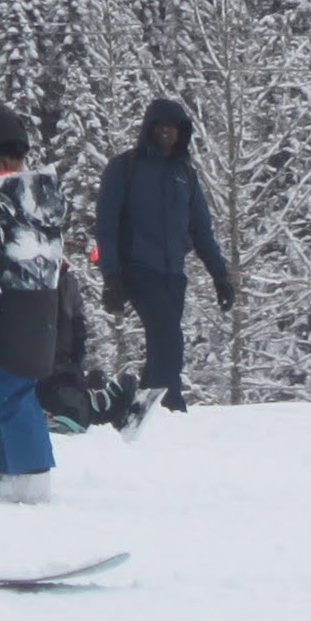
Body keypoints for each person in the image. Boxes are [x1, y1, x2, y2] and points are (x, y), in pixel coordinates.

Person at [93, 95, 237, 411]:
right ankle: (170, 407)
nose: (165, 132)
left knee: (164, 343)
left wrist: (220, 276)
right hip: (138, 269)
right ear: (148, 129)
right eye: (158, 126)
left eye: (172, 127)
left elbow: (201, 230)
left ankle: (142, 412)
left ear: (182, 132)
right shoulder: (125, 167)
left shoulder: (187, 174)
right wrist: (111, 275)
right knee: (169, 339)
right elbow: (106, 224)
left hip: (174, 275)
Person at [0, 112, 69, 503]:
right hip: (41, 303)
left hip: (5, 306)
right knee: (6, 386)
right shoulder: (43, 198)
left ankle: (32, 472)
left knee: (12, 391)